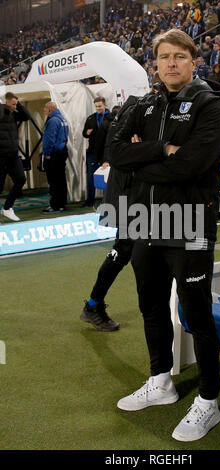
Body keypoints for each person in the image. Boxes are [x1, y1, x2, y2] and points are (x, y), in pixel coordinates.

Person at [110, 29, 220, 442]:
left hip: (191, 221)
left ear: (193, 61)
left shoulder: (211, 106)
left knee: (196, 312)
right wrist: (161, 150)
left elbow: (192, 166)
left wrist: (139, 162)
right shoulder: (145, 104)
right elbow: (116, 153)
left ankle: (209, 400)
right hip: (146, 219)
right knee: (151, 306)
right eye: (165, 56)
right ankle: (161, 381)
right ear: (155, 63)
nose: (172, 62)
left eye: (180, 55)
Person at [80, 97, 139, 333]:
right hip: (130, 197)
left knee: (125, 252)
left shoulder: (128, 111)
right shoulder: (136, 112)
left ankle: (94, 305)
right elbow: (123, 153)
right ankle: (93, 305)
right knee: (123, 251)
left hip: (129, 196)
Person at [0, 92, 30, 222]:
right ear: (6, 102)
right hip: (0, 156)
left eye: (16, 104)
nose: (15, 106)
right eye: (12, 104)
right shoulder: (2, 110)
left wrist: (19, 105)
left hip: (13, 155)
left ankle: (7, 208)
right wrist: (6, 108)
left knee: (21, 179)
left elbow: (26, 116)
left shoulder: (14, 113)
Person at [82, 97, 111, 207]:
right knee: (90, 178)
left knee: (107, 178)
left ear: (105, 105)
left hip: (106, 153)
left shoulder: (111, 118)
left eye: (100, 106)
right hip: (92, 153)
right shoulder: (91, 118)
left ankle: (106, 201)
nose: (98, 108)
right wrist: (87, 132)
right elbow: (84, 133)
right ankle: (90, 201)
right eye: (96, 106)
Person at [42, 102, 69, 214]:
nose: (44, 110)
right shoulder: (63, 119)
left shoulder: (52, 121)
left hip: (54, 154)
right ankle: (62, 203)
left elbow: (49, 138)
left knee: (53, 180)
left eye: (45, 108)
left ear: (49, 109)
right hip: (62, 151)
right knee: (61, 179)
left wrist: (47, 153)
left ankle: (55, 205)